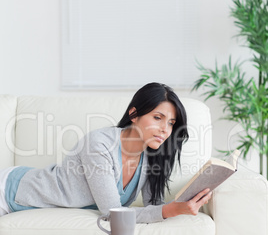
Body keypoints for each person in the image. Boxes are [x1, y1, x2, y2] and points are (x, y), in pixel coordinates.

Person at [0, 83, 212, 222]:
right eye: (158, 118)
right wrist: (171, 211)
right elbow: (113, 213)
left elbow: (153, 208)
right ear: (134, 114)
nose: (165, 129)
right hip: (11, 191)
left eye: (172, 123)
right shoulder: (99, 145)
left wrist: (186, 201)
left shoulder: (151, 157)